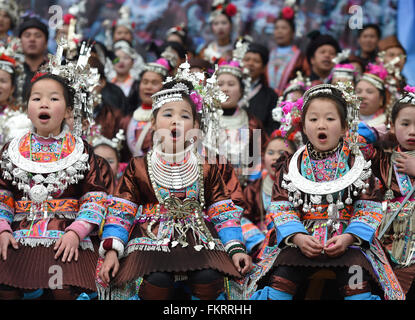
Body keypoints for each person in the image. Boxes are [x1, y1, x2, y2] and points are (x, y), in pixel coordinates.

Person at [96, 77, 252, 300]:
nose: (175, 121)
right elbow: (122, 211)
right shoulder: (139, 166)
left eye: (185, 116)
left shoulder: (207, 167)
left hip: (199, 238)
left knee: (209, 279)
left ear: (195, 126)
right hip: (152, 240)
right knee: (156, 281)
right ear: (153, 122)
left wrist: (235, 248)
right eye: (168, 114)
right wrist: (112, 250)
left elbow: (222, 211)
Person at [247, 83, 404, 300]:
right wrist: (299, 236)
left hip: (350, 246)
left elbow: (369, 206)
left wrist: (349, 237)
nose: (321, 125)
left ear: (343, 127)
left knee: (357, 289)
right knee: (279, 285)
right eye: (313, 119)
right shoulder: (292, 164)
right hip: (300, 243)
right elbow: (282, 205)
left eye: (330, 119)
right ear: (303, 126)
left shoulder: (357, 162)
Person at [0, 43, 108, 300]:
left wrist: (75, 232)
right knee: (5, 286)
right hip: (18, 233)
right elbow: (3, 193)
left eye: (54, 99)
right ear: (27, 107)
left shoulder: (82, 151)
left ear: (69, 110)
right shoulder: (11, 150)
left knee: (62, 288)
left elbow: (95, 197)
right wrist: (3, 229)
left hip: (67, 235)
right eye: (36, 98)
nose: (43, 104)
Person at [358, 86, 415, 298]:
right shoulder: (383, 160)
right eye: (405, 124)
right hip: (390, 248)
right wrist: (380, 131)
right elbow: (352, 143)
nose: (412, 131)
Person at [215, 40, 268, 187]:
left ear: (242, 90)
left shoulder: (251, 123)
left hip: (243, 191)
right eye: (220, 84)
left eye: (231, 84)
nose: (225, 89)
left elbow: (258, 161)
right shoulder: (203, 122)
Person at [123, 57, 170, 161]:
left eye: (154, 83)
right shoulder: (127, 120)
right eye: (145, 82)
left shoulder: (170, 119)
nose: (148, 87)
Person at [267, 3, 305, 95]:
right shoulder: (270, 54)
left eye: (284, 28)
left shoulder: (299, 57)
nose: (279, 31)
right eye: (276, 28)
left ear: (292, 32)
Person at [243, 42, 279, 135]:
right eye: (247, 59)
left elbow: (272, 127)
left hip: (257, 144)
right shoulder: (230, 88)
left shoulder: (271, 96)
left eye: (256, 61)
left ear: (263, 68)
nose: (250, 64)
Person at [18, 17, 49, 101]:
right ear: (20, 41)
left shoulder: (53, 72)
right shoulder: (13, 71)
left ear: (46, 43)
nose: (32, 39)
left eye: (38, 36)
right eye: (27, 35)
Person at [355, 62, 388, 130]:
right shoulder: (345, 121)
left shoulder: (388, 123)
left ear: (381, 99)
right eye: (358, 91)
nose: (362, 96)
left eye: (369, 92)